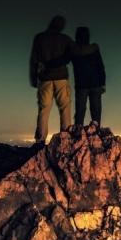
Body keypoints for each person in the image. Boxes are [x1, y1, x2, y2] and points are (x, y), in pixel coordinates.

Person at [29, 15, 75, 146]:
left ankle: (40, 140)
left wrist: (33, 78)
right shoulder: (65, 39)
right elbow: (74, 53)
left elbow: (34, 59)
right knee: (65, 108)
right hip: (61, 77)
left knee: (44, 109)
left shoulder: (40, 38)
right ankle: (65, 139)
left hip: (45, 78)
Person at [70, 26, 107, 127]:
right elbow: (100, 66)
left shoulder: (74, 50)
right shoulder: (94, 48)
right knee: (96, 111)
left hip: (81, 85)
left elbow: (62, 60)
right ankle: (96, 132)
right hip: (96, 83)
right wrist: (103, 83)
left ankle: (78, 131)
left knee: (80, 111)